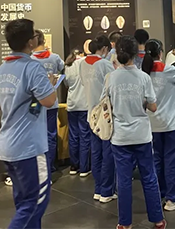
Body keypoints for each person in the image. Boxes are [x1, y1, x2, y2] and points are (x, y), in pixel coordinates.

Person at [0, 19, 57, 229]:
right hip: (29, 147)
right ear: (30, 42)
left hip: (7, 145)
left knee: (23, 201)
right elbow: (49, 100)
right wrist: (50, 85)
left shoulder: (2, 69)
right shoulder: (32, 67)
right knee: (35, 202)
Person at [103, 35, 167, 229]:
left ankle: (124, 223)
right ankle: (158, 219)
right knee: (149, 177)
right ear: (135, 54)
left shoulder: (111, 77)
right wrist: (142, 103)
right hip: (141, 134)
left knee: (123, 180)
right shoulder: (143, 77)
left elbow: (105, 104)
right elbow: (153, 107)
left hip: (120, 136)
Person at [143, 40, 175, 211]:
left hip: (153, 123)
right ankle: (173, 199)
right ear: (160, 53)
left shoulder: (144, 72)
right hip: (171, 123)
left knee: (157, 160)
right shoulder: (168, 70)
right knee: (172, 161)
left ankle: (159, 193)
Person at [79, 34, 117, 202]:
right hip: (105, 114)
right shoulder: (104, 64)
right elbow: (113, 85)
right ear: (105, 49)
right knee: (107, 153)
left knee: (96, 153)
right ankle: (107, 191)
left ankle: (98, 189)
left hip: (91, 113)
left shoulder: (82, 64)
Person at [31, 30, 65, 171]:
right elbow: (63, 69)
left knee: (36, 136)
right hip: (52, 102)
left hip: (35, 103)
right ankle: (49, 167)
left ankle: (39, 168)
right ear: (44, 41)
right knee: (51, 135)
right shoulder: (54, 57)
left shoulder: (30, 60)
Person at [65, 49, 92, 177]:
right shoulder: (84, 63)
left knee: (73, 136)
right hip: (84, 104)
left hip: (71, 104)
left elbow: (66, 84)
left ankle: (73, 166)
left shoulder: (67, 65)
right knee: (84, 136)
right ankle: (84, 167)